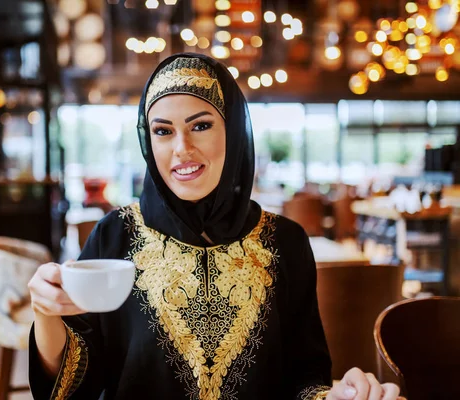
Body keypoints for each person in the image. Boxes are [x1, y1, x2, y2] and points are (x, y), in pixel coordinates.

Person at [28, 54, 402, 400]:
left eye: (201, 125)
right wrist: (46, 314)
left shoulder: (284, 242)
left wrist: (337, 396)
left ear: (234, 131)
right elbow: (72, 385)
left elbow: (305, 380)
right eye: (163, 131)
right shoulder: (116, 234)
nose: (181, 148)